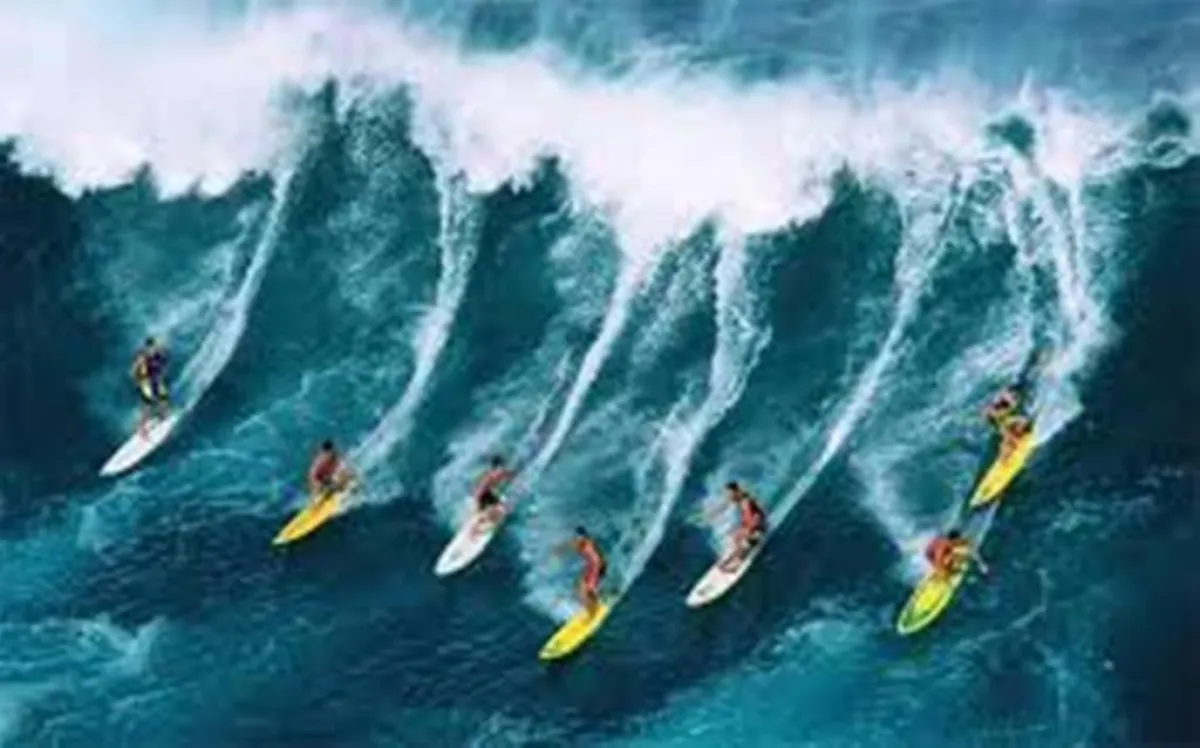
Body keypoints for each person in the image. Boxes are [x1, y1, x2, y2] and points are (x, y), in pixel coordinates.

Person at [718, 481, 768, 572]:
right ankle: (733, 556)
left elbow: (758, 516)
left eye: (729, 494)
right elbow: (725, 505)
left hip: (759, 531)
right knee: (735, 536)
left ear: (736, 492)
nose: (728, 496)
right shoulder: (740, 499)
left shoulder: (746, 501)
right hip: (754, 528)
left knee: (738, 538)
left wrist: (749, 531)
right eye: (727, 494)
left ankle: (737, 564)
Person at [560, 526, 606, 618]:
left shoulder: (584, 542)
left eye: (578, 536)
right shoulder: (585, 542)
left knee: (586, 589)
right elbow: (572, 545)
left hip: (596, 566)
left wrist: (560, 549)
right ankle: (592, 603)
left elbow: (574, 545)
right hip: (593, 566)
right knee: (579, 586)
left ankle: (593, 610)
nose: (576, 538)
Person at [131, 337, 169, 434]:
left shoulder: (159, 354)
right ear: (148, 347)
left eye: (155, 346)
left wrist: (161, 374)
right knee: (148, 403)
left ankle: (163, 416)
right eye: (152, 346)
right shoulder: (142, 357)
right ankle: (142, 429)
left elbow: (162, 366)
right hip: (145, 382)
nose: (154, 348)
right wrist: (137, 381)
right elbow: (134, 371)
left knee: (163, 397)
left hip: (155, 379)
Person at [471, 455, 515, 528]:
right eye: (502, 464)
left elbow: (507, 474)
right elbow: (506, 474)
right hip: (483, 495)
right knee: (503, 508)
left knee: (498, 507)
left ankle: (481, 521)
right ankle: (481, 522)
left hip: (483, 494)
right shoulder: (495, 473)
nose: (503, 466)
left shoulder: (490, 473)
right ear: (498, 466)